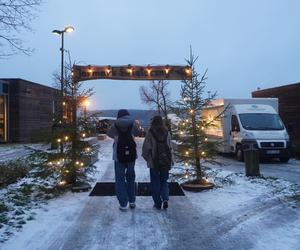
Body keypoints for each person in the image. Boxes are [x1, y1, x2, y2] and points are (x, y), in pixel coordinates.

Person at [107, 109, 139, 211]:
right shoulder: (133, 123)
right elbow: (138, 133)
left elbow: (109, 134)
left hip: (118, 155)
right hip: (131, 155)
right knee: (130, 178)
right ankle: (132, 201)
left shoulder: (115, 124)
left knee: (120, 180)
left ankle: (123, 203)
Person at [142, 115, 173, 210]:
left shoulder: (150, 133)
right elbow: (170, 147)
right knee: (164, 181)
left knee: (155, 183)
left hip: (154, 163)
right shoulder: (167, 132)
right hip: (165, 161)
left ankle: (157, 203)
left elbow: (146, 148)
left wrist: (148, 158)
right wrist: (170, 160)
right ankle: (165, 199)